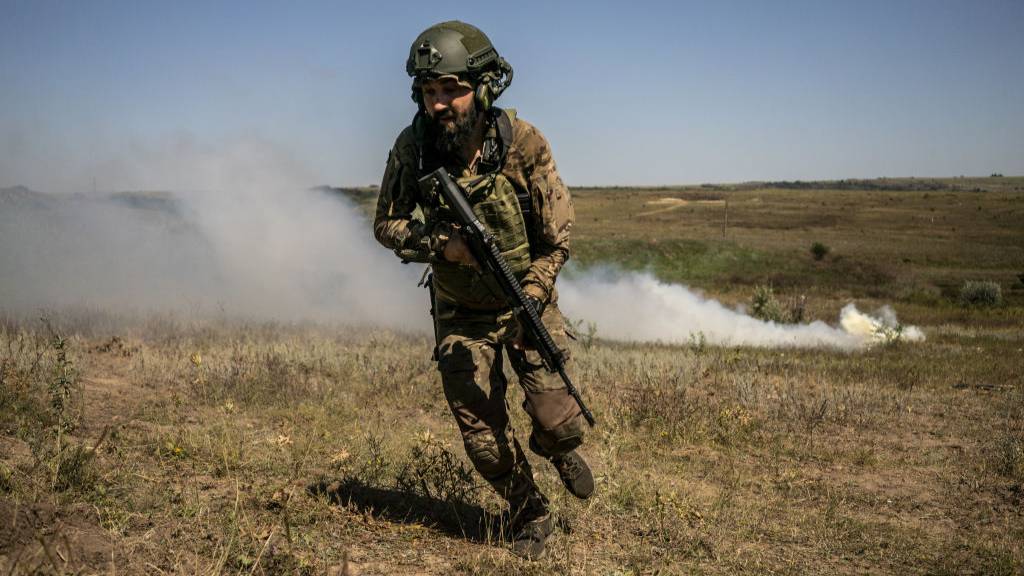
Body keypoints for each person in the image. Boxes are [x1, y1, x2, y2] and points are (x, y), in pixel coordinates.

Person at [373, 21, 594, 559]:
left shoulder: (522, 144)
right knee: (483, 440)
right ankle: (529, 513)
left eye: (451, 89)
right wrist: (438, 244)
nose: (439, 104)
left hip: (525, 299)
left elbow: (557, 238)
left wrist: (532, 299)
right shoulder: (414, 148)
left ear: (485, 85)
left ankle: (556, 448)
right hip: (461, 312)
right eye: (429, 92)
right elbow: (387, 223)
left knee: (561, 425)